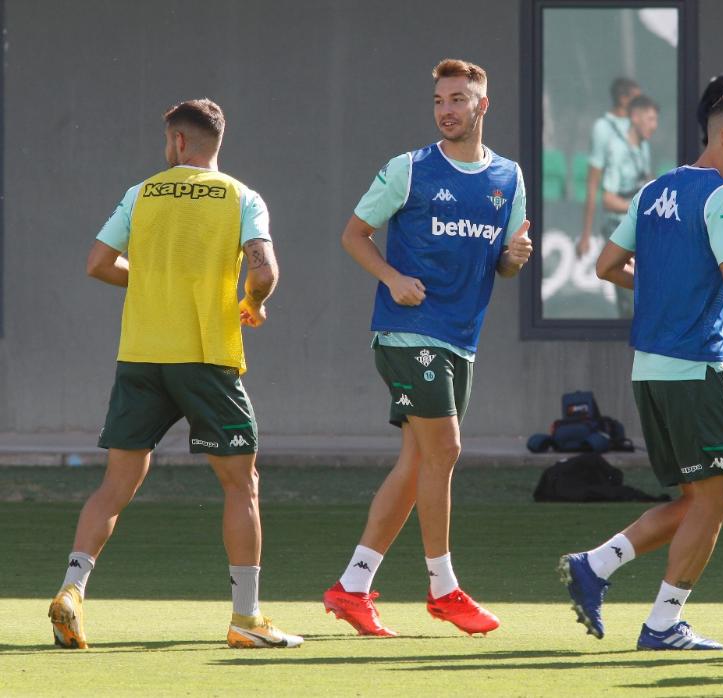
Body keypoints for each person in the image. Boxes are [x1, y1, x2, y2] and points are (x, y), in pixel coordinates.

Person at [48, 98, 298, 649]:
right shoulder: (241, 196)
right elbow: (263, 269)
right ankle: (246, 618)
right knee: (241, 486)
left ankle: (71, 589)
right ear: (214, 143)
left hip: (140, 355)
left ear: (178, 142)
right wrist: (254, 301)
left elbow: (97, 262)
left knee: (117, 483)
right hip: (206, 358)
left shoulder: (141, 194)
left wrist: (152, 278)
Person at [560, 94, 723, 651]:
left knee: (698, 498)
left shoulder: (653, 188)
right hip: (693, 367)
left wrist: (667, 285)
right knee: (717, 498)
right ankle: (663, 623)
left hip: (650, 370)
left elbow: (605, 267)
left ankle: (596, 565)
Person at [323, 58, 531, 638]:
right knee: (445, 451)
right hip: (408, 332)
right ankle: (444, 589)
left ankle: (352, 586)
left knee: (419, 464)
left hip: (461, 339)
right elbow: (353, 235)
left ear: (481, 106)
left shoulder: (508, 178)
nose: (447, 110)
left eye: (459, 99)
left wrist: (513, 260)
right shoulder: (408, 169)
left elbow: (508, 260)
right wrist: (391, 277)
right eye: (440, 100)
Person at [598, 94, 660, 318]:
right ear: (635, 117)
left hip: (640, 233)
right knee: (627, 304)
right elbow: (608, 199)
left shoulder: (644, 146)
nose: (654, 125)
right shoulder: (617, 149)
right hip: (619, 232)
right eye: (650, 119)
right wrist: (638, 208)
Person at [578, 77, 641, 259]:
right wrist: (586, 234)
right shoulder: (603, 128)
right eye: (637, 100)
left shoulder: (638, 127)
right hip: (616, 222)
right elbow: (593, 183)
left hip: (639, 221)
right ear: (623, 99)